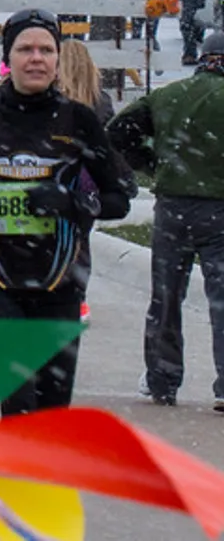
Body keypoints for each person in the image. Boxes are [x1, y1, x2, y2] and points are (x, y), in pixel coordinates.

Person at [0, 8, 132, 414]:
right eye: (25, 49)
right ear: (10, 57)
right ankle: (18, 475)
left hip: (61, 282)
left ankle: (44, 477)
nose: (36, 58)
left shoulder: (79, 120)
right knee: (18, 400)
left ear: (58, 59)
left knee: (52, 407)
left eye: (46, 49)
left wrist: (72, 203)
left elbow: (119, 198)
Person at [107, 30, 224, 407]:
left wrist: (150, 163)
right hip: (219, 211)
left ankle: (162, 379)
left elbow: (117, 132)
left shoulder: (167, 96)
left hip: (171, 209)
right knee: (221, 299)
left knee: (165, 297)